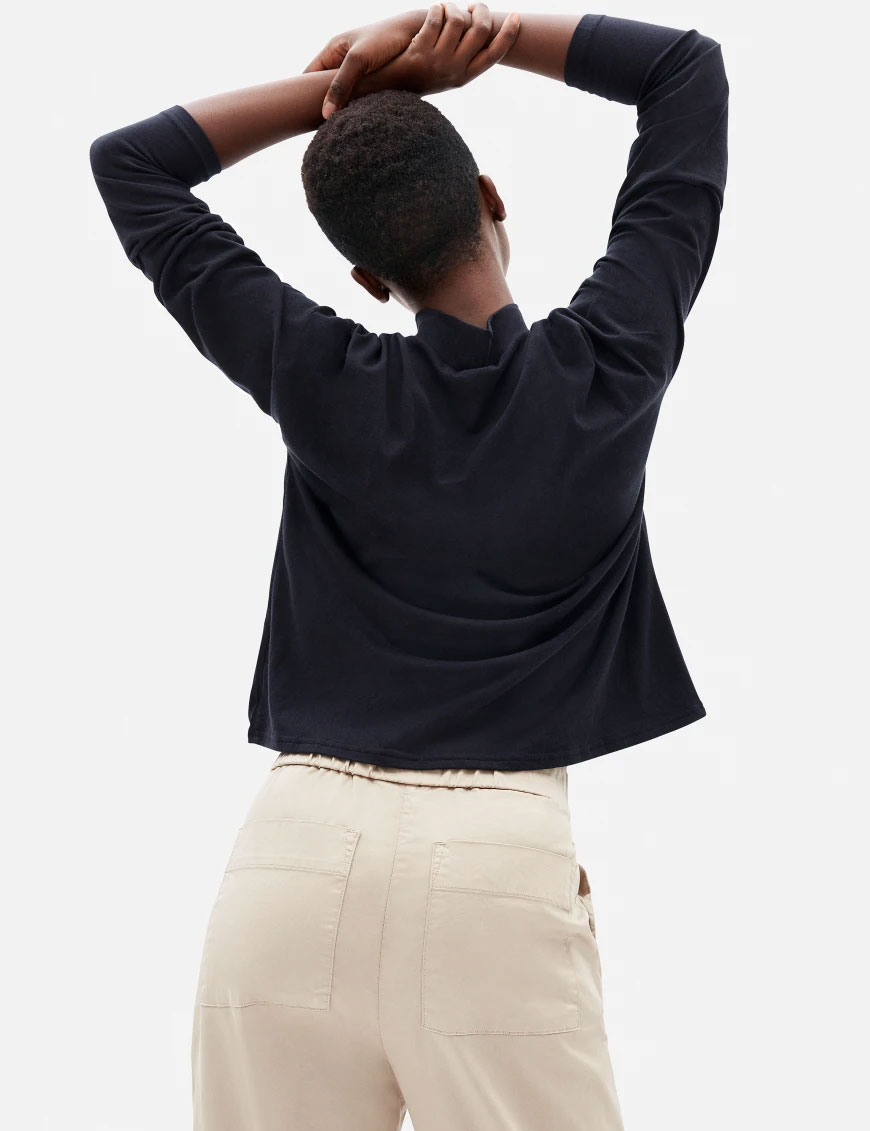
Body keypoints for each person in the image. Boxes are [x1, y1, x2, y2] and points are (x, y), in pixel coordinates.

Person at [89, 5, 728, 1128]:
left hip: (290, 861)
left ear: (365, 275)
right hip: (494, 867)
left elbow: (131, 163)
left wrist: (338, 96)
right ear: (490, 197)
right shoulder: (610, 369)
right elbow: (686, 71)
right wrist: (475, 38)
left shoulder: (321, 380)